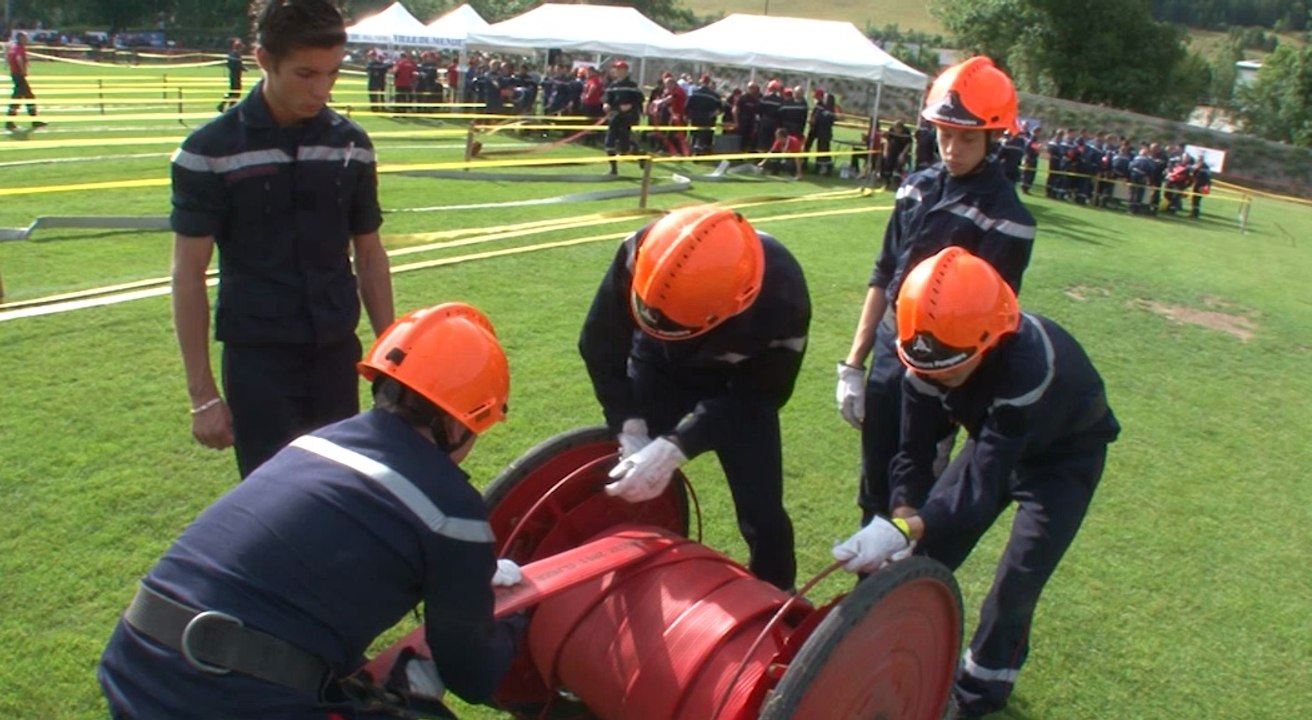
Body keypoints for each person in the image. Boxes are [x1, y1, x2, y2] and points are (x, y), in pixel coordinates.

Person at [100, 302, 527, 719]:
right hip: (220, 696)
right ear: (456, 425)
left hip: (137, 658)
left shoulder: (316, 444)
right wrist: (521, 615)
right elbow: (472, 676)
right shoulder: (450, 508)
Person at [833, 247, 1119, 720]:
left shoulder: (1029, 368)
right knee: (923, 555)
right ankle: (881, 651)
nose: (938, 377)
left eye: (951, 367)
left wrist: (912, 526)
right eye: (928, 367)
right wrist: (902, 516)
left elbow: (984, 481)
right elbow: (915, 451)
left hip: (1063, 457)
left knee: (1017, 582)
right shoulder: (927, 353)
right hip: (993, 436)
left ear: (990, 341)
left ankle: (975, 696)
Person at [169, 0, 394, 479]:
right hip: (258, 361)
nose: (322, 90)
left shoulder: (351, 145)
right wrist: (202, 395)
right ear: (263, 59)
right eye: (305, 74)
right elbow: (187, 275)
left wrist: (391, 357)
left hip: (336, 354)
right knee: (271, 498)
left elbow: (370, 256)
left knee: (340, 491)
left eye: (333, 74)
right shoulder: (208, 151)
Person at [836, 56, 1035, 530]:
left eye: (967, 137)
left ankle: (904, 594)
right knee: (874, 483)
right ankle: (868, 589)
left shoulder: (1008, 217)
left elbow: (991, 321)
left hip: (944, 363)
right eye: (944, 133)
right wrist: (854, 363)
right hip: (890, 346)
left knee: (916, 487)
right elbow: (884, 271)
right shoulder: (915, 188)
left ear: (992, 137)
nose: (952, 147)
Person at [578, 206, 811, 591]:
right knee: (623, 479)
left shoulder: (783, 294)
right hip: (657, 366)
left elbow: (760, 397)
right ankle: (610, 572)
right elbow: (599, 343)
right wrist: (629, 424)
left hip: (737, 389)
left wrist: (677, 445)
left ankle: (779, 600)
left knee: (764, 512)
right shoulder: (642, 250)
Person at [602, 59, 643, 175]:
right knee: (609, 143)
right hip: (614, 117)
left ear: (625, 71)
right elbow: (607, 98)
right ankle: (613, 169)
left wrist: (630, 107)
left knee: (624, 146)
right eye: (616, 69)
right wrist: (606, 104)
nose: (617, 71)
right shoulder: (612, 85)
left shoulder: (632, 85)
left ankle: (639, 154)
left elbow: (639, 100)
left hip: (626, 118)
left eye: (620, 69)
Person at [5, 31, 43, 132]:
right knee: (20, 98)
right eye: (25, 37)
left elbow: (9, 57)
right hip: (19, 75)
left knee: (26, 96)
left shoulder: (14, 47)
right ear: (20, 38)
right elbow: (18, 58)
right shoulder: (19, 47)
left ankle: (33, 120)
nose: (26, 39)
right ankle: (9, 122)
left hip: (15, 74)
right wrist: (23, 70)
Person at [217, 38, 246, 113]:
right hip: (234, 76)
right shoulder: (234, 54)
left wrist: (243, 68)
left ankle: (229, 106)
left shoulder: (236, 54)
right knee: (235, 92)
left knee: (234, 92)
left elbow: (238, 64)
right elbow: (232, 64)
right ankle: (226, 106)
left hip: (237, 75)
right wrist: (240, 68)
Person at [364, 48, 391, 113]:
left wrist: (381, 67)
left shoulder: (380, 63)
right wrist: (380, 68)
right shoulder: (371, 64)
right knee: (373, 96)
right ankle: (374, 108)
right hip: (372, 82)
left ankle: (382, 107)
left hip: (380, 82)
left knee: (381, 96)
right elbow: (368, 68)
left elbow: (386, 67)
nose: (370, 57)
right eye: (370, 56)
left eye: (372, 56)